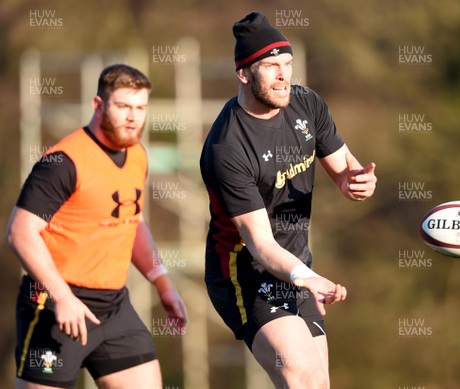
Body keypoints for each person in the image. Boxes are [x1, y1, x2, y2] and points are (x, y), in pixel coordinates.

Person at [200, 12, 377, 389]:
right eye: (270, 66)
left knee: (318, 383)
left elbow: (345, 169)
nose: (284, 76)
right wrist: (309, 278)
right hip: (245, 276)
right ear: (244, 74)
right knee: (304, 377)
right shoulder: (227, 148)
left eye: (287, 64)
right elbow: (261, 247)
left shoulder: (306, 104)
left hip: (298, 269)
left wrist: (356, 182)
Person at [6, 64, 188, 389]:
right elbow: (19, 232)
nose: (133, 117)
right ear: (98, 105)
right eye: (123, 106)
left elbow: (133, 223)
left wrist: (163, 284)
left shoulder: (138, 156)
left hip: (115, 307)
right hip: (54, 304)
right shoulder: (62, 162)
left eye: (140, 108)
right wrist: (62, 297)